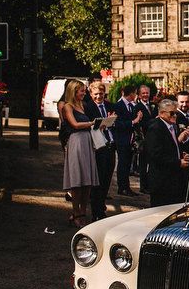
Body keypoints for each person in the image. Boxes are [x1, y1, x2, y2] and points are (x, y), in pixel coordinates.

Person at [61, 79, 99, 227]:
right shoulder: (67, 107)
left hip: (87, 141)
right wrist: (92, 123)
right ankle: (76, 212)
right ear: (74, 91)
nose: (84, 93)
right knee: (77, 180)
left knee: (87, 181)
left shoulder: (83, 106)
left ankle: (83, 211)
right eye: (81, 91)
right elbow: (75, 125)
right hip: (76, 141)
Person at [143, 99, 189, 207]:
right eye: (172, 113)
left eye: (176, 113)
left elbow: (171, 146)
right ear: (161, 113)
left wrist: (181, 154)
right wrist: (178, 162)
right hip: (161, 180)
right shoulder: (155, 128)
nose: (175, 116)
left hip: (173, 179)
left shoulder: (172, 126)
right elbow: (155, 155)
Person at [83, 81, 116, 221]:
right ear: (91, 94)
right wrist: (98, 126)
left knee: (107, 178)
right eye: (95, 94)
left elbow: (118, 123)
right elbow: (87, 125)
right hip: (97, 146)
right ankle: (97, 211)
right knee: (98, 180)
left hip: (111, 144)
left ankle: (101, 206)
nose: (98, 97)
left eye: (101, 94)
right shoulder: (88, 107)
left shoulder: (110, 106)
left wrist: (113, 119)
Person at [112, 84, 143, 196]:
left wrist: (139, 118)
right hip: (121, 139)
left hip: (130, 140)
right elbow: (116, 124)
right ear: (131, 94)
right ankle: (122, 187)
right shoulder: (118, 106)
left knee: (128, 164)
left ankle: (127, 187)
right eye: (135, 93)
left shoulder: (132, 106)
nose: (135, 95)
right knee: (123, 164)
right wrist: (133, 121)